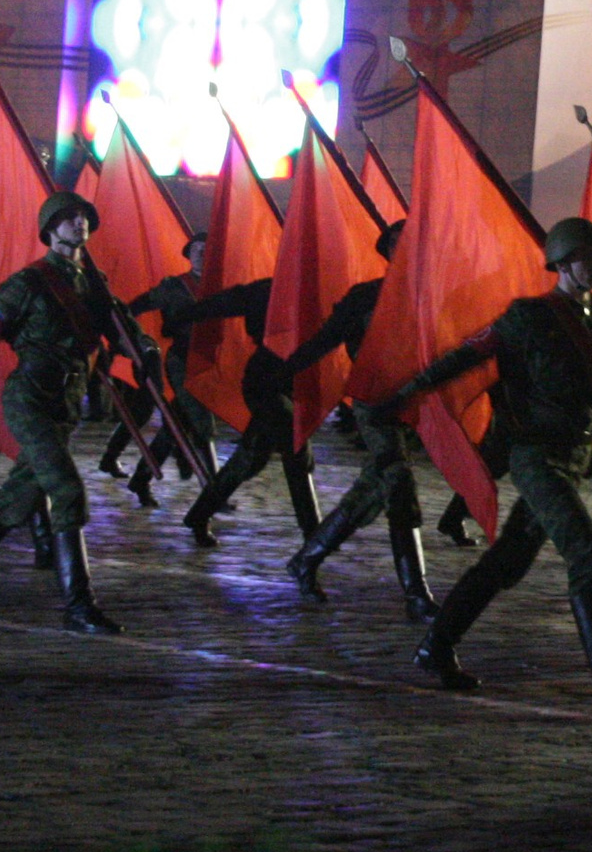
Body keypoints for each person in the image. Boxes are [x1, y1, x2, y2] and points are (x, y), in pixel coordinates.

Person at [373, 217, 592, 710]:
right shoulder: (529, 317)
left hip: (571, 458)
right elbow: (465, 356)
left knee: (508, 562)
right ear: (563, 263)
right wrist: (405, 394)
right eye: (589, 258)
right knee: (587, 555)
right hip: (534, 455)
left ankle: (436, 647)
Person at [0, 192, 150, 634]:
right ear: (49, 229)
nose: (78, 223)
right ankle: (79, 606)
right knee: (65, 490)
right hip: (28, 400)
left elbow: (124, 329)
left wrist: (148, 351)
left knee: (21, 495)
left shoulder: (93, 283)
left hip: (65, 405)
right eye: (67, 217)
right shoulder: (26, 285)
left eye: (83, 216)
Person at [278, 222, 438, 620]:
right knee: (399, 483)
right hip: (374, 403)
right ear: (387, 252)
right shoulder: (365, 298)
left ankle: (306, 559)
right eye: (400, 246)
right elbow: (327, 339)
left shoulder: (430, 300)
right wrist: (284, 371)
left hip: (412, 404)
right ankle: (416, 594)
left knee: (372, 490)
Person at [180, 276, 321, 547]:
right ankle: (313, 533)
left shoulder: (319, 292)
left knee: (251, 458)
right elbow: (224, 303)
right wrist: (184, 315)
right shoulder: (267, 290)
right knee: (296, 447)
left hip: (294, 380)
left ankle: (199, 515)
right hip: (266, 379)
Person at [99, 231, 213, 505]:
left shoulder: (218, 288)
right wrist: (124, 337)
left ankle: (141, 479)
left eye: (206, 248)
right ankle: (214, 490)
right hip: (182, 361)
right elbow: (137, 306)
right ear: (188, 254)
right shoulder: (175, 286)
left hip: (208, 363)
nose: (200, 252)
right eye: (195, 248)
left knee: (177, 425)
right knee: (202, 423)